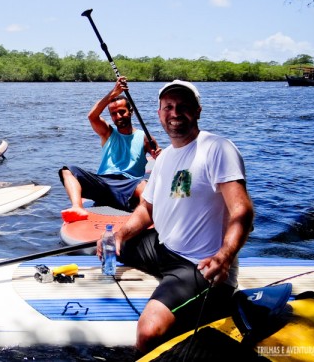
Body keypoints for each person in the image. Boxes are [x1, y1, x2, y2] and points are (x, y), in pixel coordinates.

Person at [96, 80, 254, 354]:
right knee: (103, 246)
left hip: (197, 266)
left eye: (183, 106)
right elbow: (146, 210)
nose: (175, 112)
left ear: (198, 111)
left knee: (148, 332)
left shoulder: (217, 148)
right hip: (160, 247)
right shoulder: (165, 157)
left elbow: (242, 210)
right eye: (168, 107)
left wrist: (225, 256)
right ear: (159, 114)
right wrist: (118, 235)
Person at [59, 77, 160, 222]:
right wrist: (113, 93)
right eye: (113, 113)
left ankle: (151, 215)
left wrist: (159, 154)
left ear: (130, 111)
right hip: (104, 182)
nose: (118, 116)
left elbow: (161, 160)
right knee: (67, 170)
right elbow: (92, 116)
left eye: (122, 112)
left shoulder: (144, 137)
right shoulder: (107, 132)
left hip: (130, 184)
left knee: (144, 184)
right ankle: (77, 207)